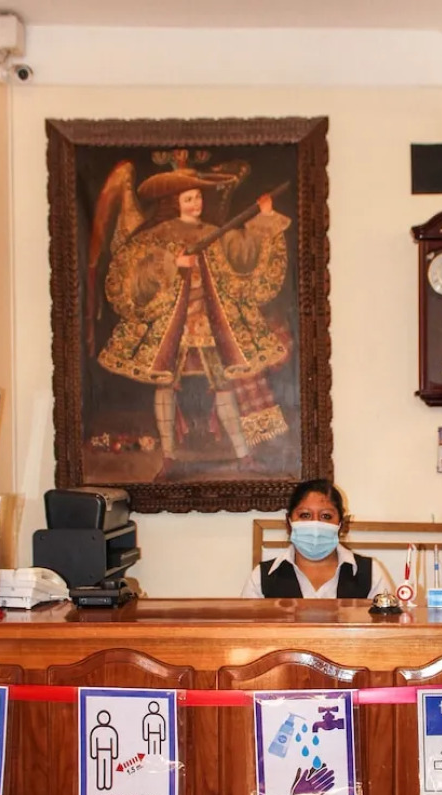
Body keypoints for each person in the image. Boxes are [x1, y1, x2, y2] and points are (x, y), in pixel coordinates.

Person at [91, 164, 292, 479]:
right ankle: (169, 457)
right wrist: (173, 263)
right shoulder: (157, 236)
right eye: (188, 199)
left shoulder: (212, 232)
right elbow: (134, 274)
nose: (195, 204)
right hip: (173, 326)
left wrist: (263, 217)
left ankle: (243, 455)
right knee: (166, 387)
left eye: (198, 197)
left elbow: (243, 254)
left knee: (224, 387)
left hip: (210, 325)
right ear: (174, 203)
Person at [241, 479, 390, 599]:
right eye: (305, 515)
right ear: (289, 522)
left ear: (341, 524)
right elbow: (246, 633)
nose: (315, 524)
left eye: (326, 516)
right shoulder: (262, 577)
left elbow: (388, 632)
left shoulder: (371, 573)